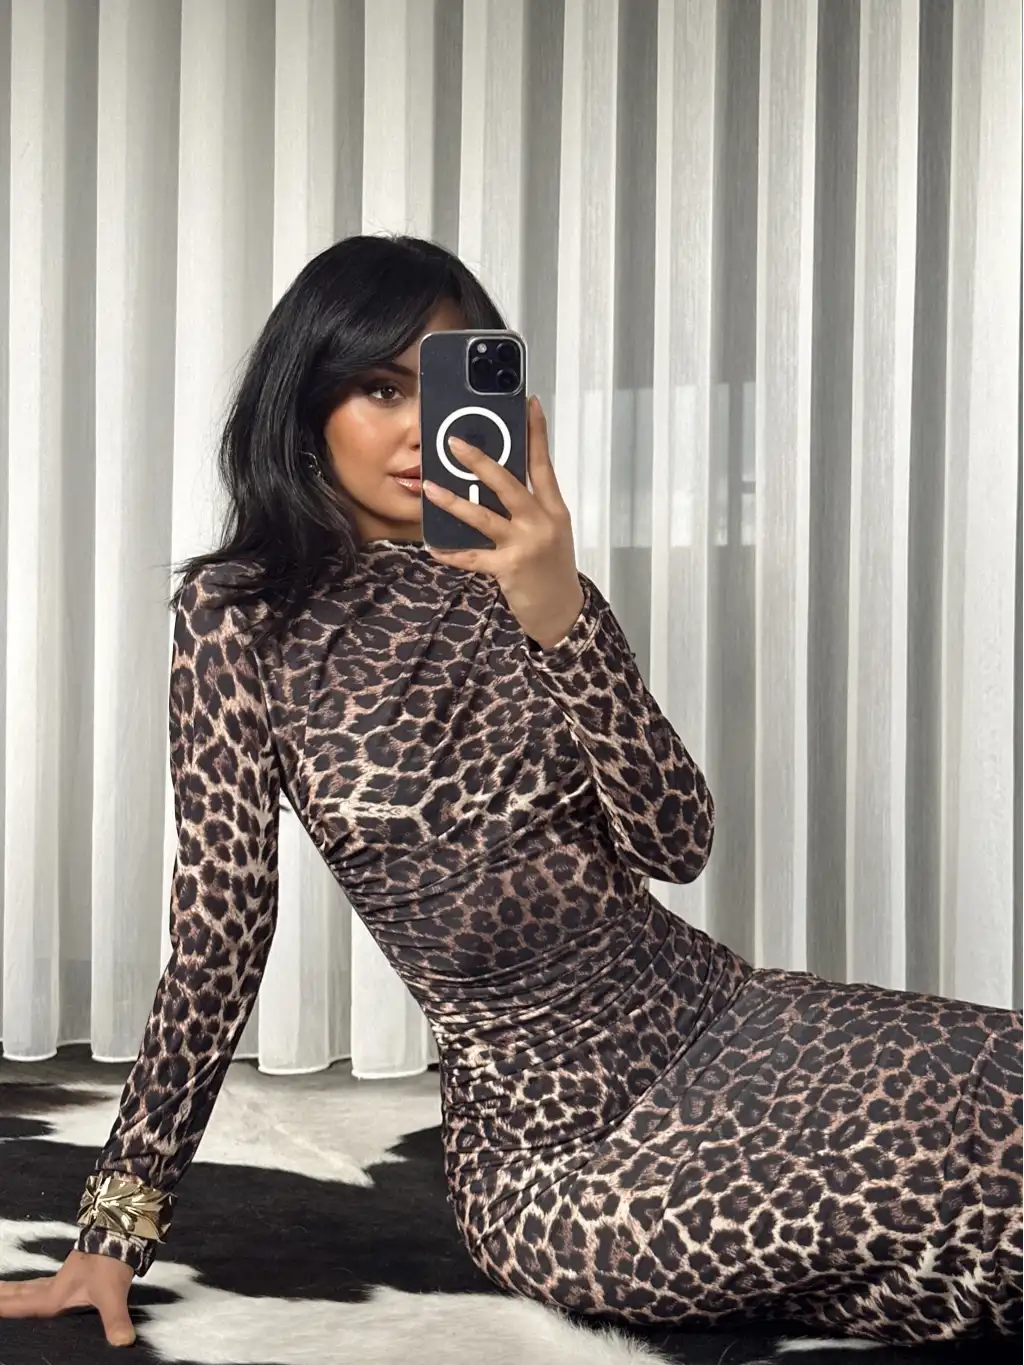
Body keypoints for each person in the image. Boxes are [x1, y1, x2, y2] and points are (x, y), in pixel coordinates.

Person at [1, 234, 1021, 1351]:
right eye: (378, 388)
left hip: (727, 1019)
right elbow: (219, 934)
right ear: (306, 404)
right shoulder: (240, 616)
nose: (415, 429)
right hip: (565, 1154)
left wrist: (560, 610)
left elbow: (676, 842)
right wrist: (115, 1228)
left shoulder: (530, 580)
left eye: (438, 388)